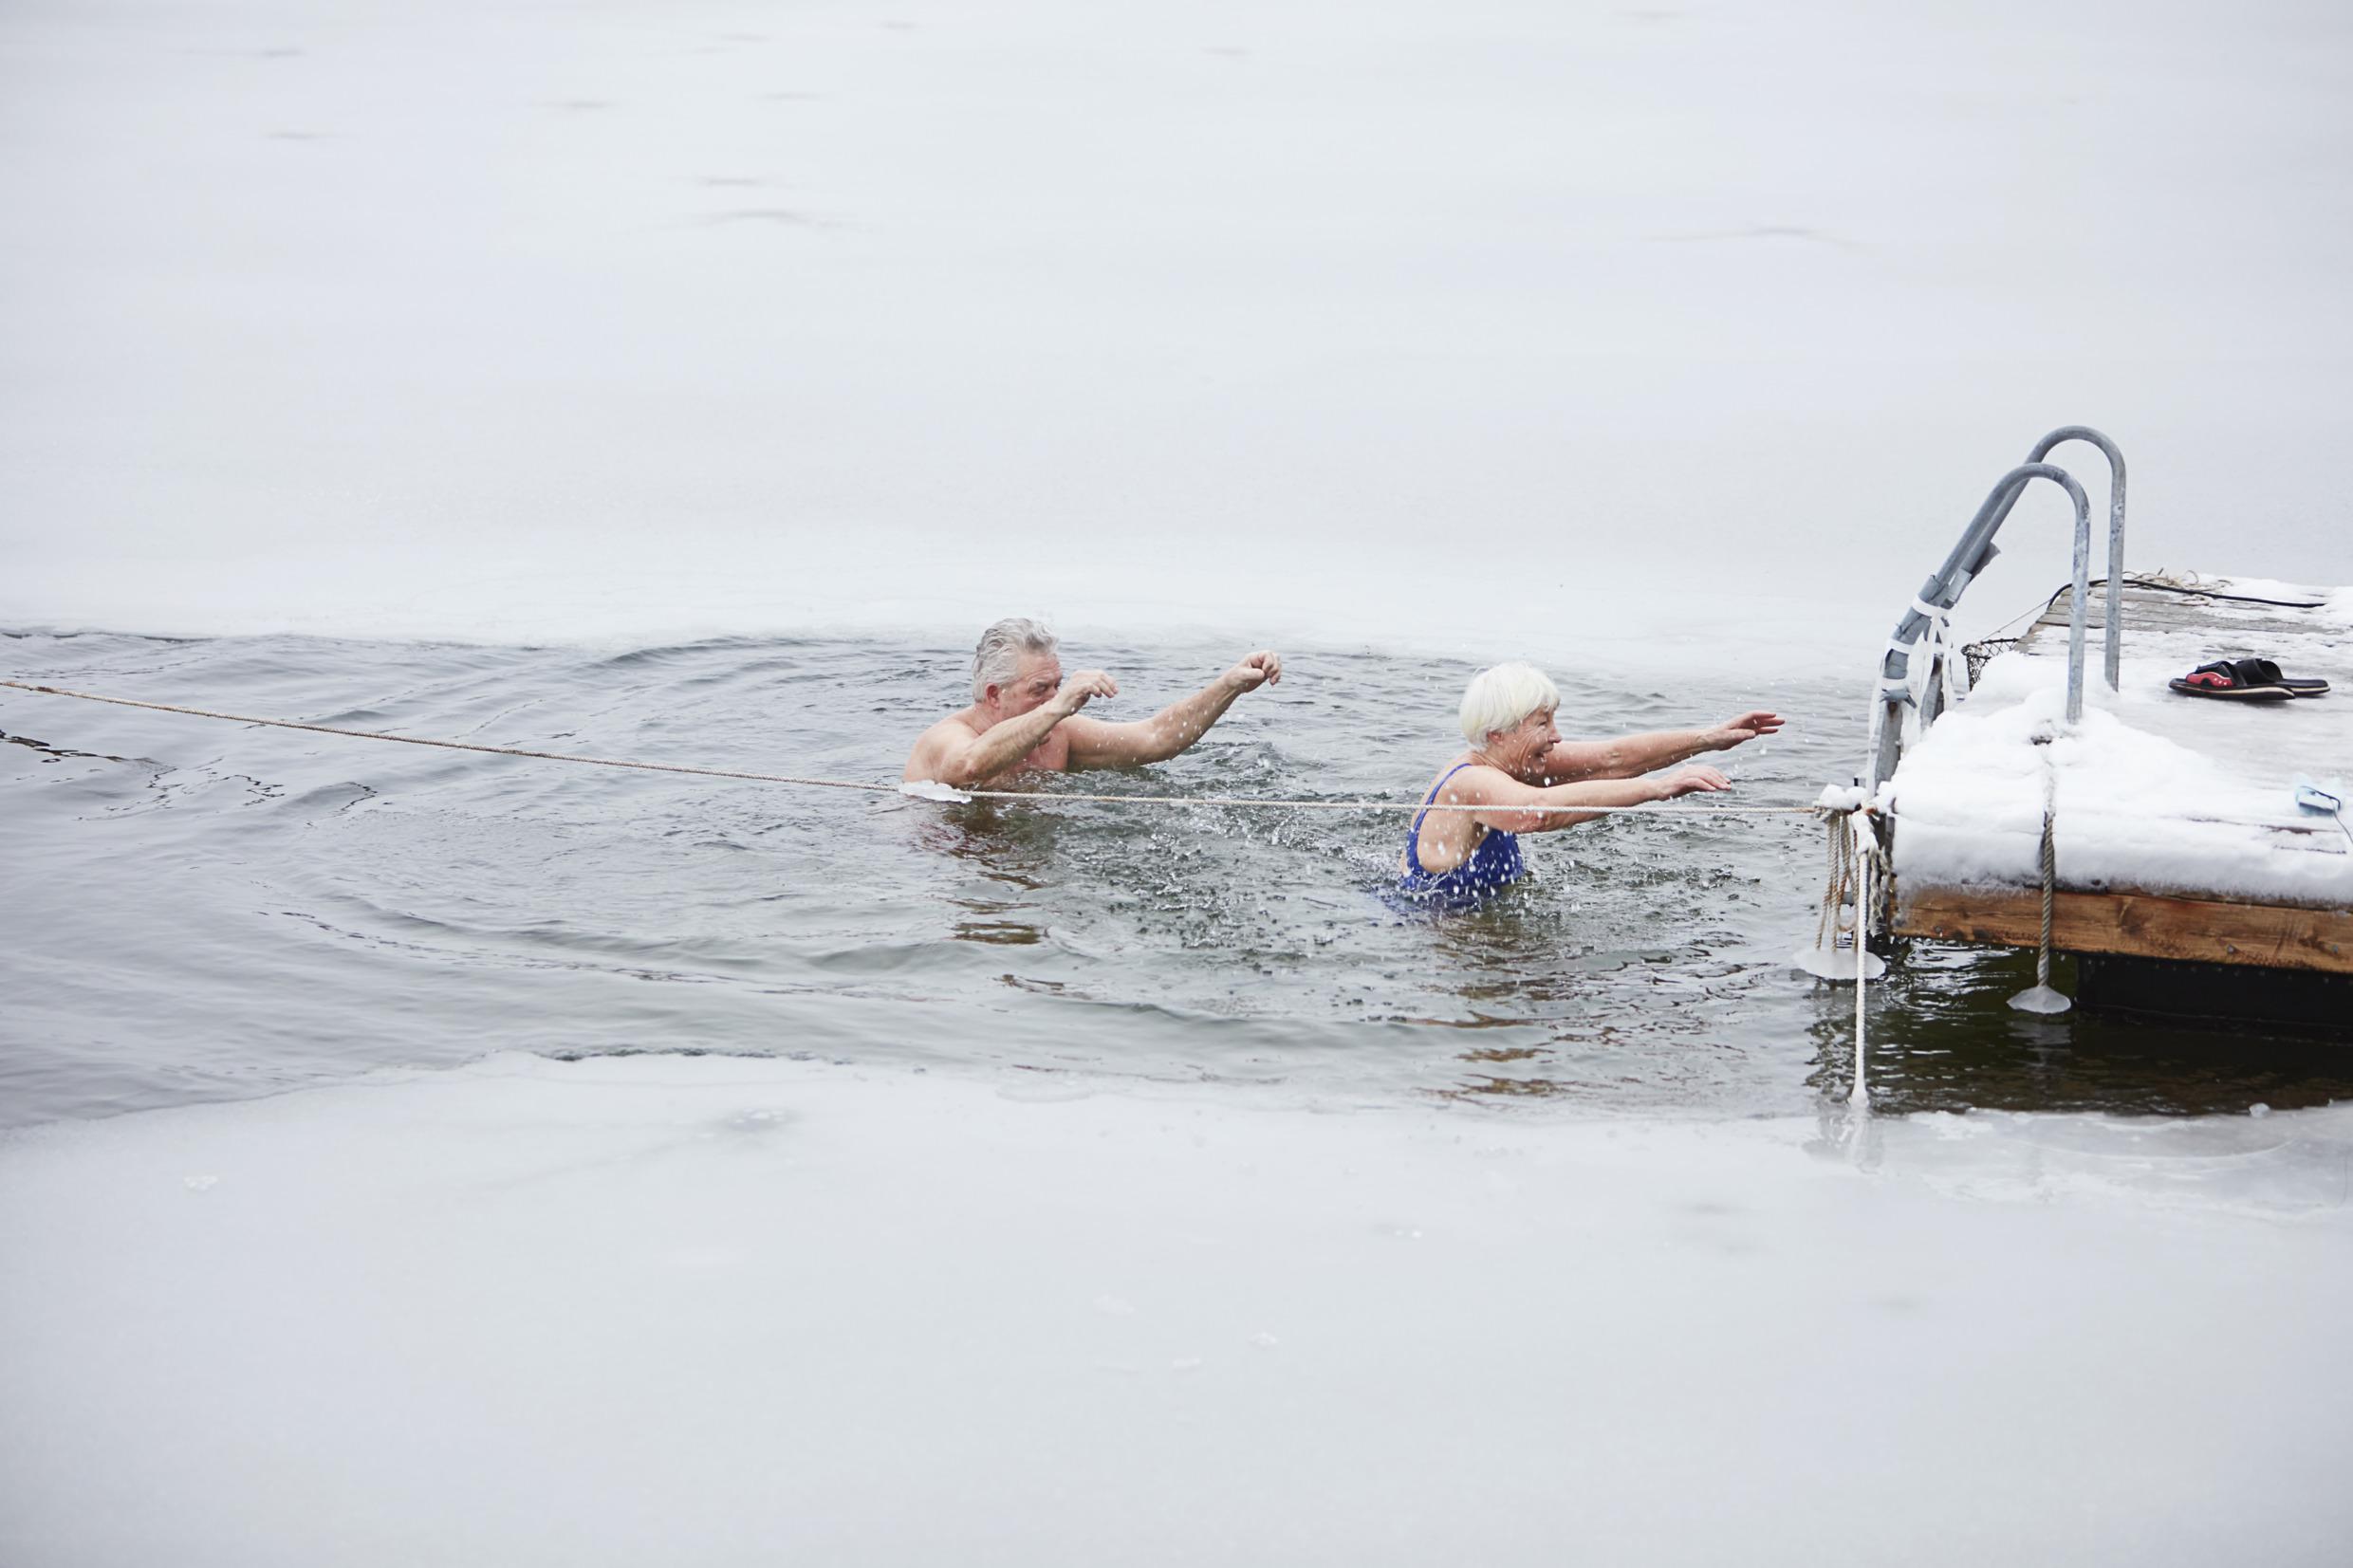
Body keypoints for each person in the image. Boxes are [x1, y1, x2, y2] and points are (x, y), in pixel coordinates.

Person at [1399, 661, 1782, 909]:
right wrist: (1658, 789)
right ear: (1499, 733)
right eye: (1543, 723)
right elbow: (1538, 813)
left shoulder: (1508, 761)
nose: (1557, 736)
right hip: (1444, 928)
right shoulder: (1471, 781)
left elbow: (1613, 759)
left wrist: (1706, 738)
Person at [904, 618, 1283, 789]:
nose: (1053, 698)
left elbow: (1156, 739)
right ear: (993, 694)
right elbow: (967, 767)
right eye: (1039, 689)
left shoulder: (1058, 735)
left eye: (1058, 686)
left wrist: (1228, 685)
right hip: (950, 867)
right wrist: (1058, 707)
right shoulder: (947, 737)